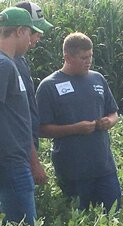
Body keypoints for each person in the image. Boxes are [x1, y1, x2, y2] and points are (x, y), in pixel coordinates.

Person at [36, 32, 121, 213]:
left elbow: (114, 113)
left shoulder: (98, 79)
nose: (88, 61)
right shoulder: (49, 86)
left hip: (104, 166)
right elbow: (41, 129)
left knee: (114, 217)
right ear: (67, 57)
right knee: (78, 222)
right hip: (73, 170)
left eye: (90, 56)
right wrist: (75, 129)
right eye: (83, 57)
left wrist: (109, 121)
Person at [0, 7, 43, 226]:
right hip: (11, 165)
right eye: (30, 34)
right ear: (19, 31)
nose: (31, 40)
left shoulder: (11, 64)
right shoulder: (4, 65)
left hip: (16, 162)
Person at [15, 1, 53, 185]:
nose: (38, 37)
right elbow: (16, 118)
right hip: (16, 158)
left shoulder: (20, 59)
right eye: (35, 31)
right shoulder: (7, 64)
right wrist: (34, 162)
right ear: (21, 30)